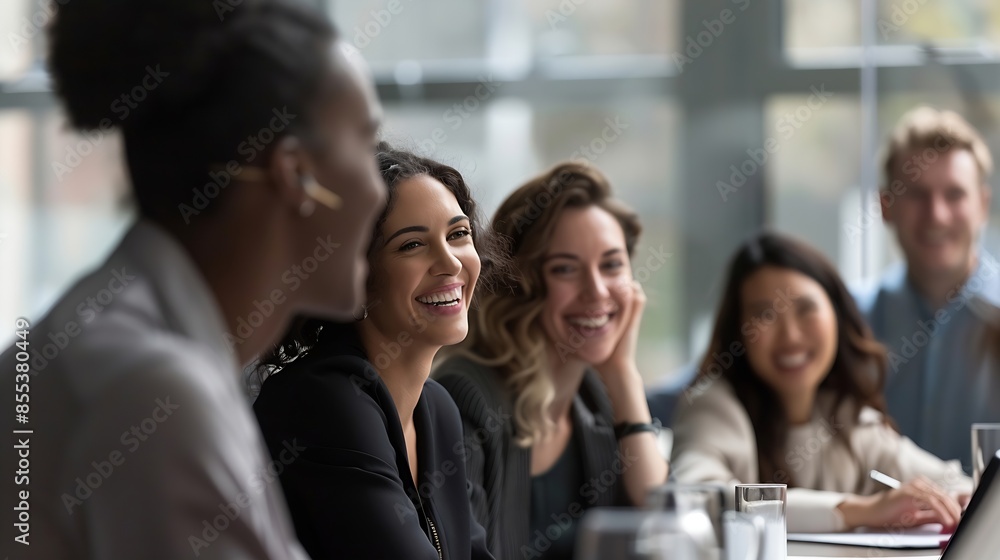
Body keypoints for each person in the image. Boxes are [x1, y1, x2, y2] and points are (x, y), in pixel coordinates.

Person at [0, 1, 385, 558]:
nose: (380, 190)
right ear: (296, 172)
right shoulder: (153, 393)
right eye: (369, 147)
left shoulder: (132, 351)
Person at [252, 143, 499, 560]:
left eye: (458, 235)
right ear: (356, 277)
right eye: (411, 246)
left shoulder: (437, 409)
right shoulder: (321, 400)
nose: (451, 263)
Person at [434, 162, 669, 560]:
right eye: (565, 269)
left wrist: (624, 377)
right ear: (520, 283)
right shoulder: (466, 396)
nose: (596, 291)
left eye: (611, 264)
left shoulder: (598, 396)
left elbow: (668, 526)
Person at [671, 232, 972, 533]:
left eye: (806, 309)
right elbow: (694, 498)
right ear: (738, 331)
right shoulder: (713, 406)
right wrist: (861, 511)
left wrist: (958, 498)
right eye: (764, 315)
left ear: (837, 315)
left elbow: (950, 481)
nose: (790, 336)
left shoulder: (846, 417)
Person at [856, 106, 1000, 468]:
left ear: (983, 205)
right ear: (885, 206)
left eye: (954, 194)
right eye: (917, 194)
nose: (936, 215)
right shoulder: (845, 321)